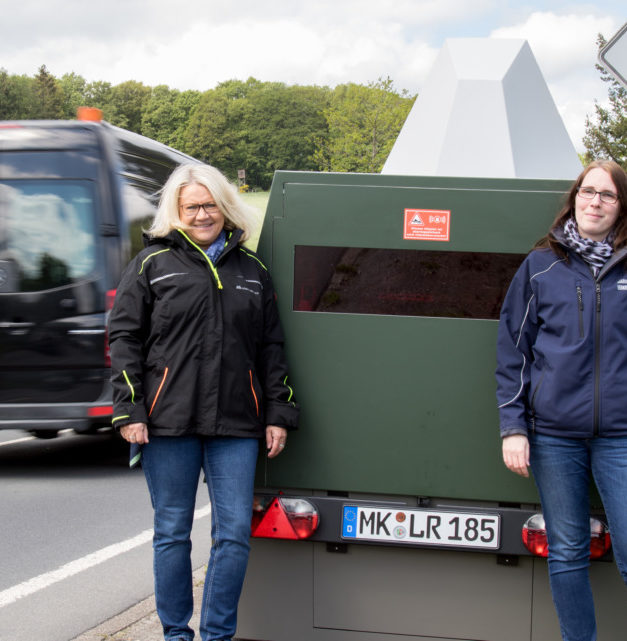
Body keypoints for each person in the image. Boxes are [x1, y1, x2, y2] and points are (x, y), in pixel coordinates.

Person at [108, 162, 299, 641]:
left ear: (225, 206)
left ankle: (217, 635)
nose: (201, 214)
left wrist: (278, 412)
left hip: (237, 424)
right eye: (191, 206)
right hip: (167, 422)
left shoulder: (252, 271)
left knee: (233, 535)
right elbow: (125, 337)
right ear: (176, 210)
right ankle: (176, 634)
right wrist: (129, 409)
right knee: (172, 532)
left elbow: (271, 348)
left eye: (210, 204)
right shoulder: (152, 264)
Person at [496, 159, 627, 641]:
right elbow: (514, 350)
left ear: (621, 205)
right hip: (553, 436)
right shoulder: (541, 265)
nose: (595, 202)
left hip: (622, 437)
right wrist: (514, 427)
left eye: (607, 195)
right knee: (568, 550)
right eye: (587, 192)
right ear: (574, 199)